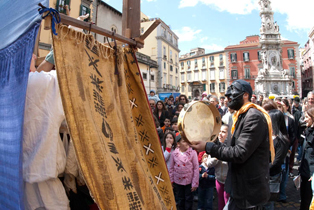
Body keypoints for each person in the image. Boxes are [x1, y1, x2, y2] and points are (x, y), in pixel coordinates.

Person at [191, 79, 274, 209]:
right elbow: (232, 148)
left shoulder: (253, 117)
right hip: (240, 188)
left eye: (232, 93)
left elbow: (239, 153)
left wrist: (208, 147)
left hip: (248, 192)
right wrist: (212, 139)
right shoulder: (241, 116)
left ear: (245, 95)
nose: (228, 97)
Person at [23, 54, 70, 209]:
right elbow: (70, 75)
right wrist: (56, 52)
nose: (35, 56)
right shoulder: (37, 84)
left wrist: (51, 58)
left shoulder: (10, 85)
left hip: (12, 179)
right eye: (31, 54)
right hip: (43, 178)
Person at [263, 109, 290, 210]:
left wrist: (261, 169)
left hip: (272, 176)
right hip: (263, 174)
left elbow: (276, 162)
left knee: (268, 203)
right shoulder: (268, 135)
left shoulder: (282, 141)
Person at [169, 134, 199, 210]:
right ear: (178, 144)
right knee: (180, 199)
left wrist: (195, 183)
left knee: (189, 199)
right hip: (178, 181)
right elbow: (171, 168)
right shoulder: (174, 154)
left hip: (189, 181)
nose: (186, 143)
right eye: (184, 141)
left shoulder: (193, 153)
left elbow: (196, 168)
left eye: (187, 141)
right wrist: (171, 181)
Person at [207, 124, 230, 210]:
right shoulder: (215, 146)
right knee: (220, 202)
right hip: (219, 180)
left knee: (227, 202)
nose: (220, 134)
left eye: (223, 132)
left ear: (229, 134)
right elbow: (208, 164)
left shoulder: (231, 147)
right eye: (219, 131)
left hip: (229, 181)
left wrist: (225, 156)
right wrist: (216, 157)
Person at [299, 106, 314, 210]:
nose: (304, 120)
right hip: (304, 172)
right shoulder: (308, 130)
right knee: (304, 200)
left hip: (311, 175)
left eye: (307, 117)